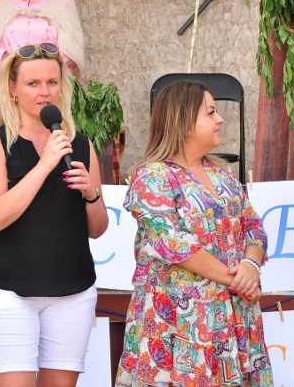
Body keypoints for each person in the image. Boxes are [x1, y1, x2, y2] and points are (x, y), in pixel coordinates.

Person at [115, 80, 273, 386]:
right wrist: (237, 280)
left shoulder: (222, 175)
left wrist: (250, 267)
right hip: (178, 326)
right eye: (210, 112)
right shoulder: (152, 176)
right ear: (184, 121)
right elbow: (172, 244)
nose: (220, 119)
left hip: (232, 318)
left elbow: (254, 227)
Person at [0, 43, 108, 387]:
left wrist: (91, 194)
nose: (45, 91)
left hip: (73, 290)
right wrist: (45, 163)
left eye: (52, 82)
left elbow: (98, 228)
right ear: (13, 90)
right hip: (11, 291)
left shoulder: (80, 144)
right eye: (33, 83)